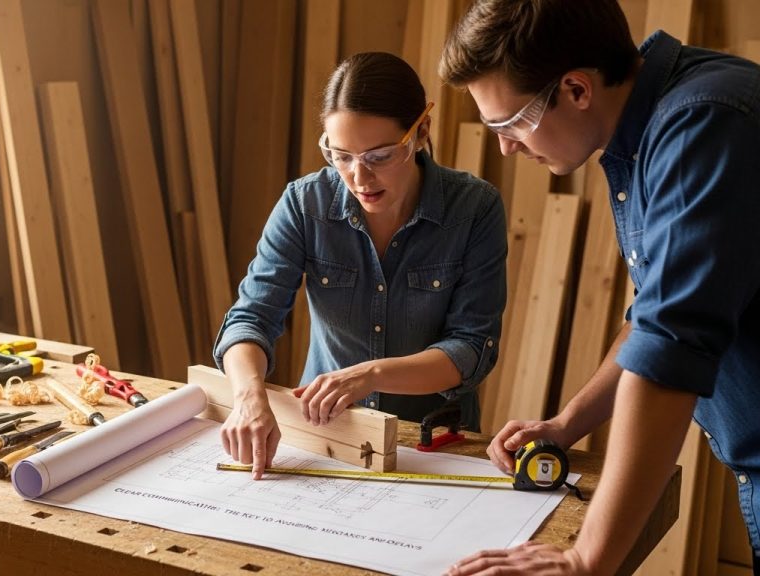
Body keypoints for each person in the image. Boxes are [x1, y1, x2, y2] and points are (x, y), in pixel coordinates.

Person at [438, 1, 760, 574]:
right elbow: (653, 315)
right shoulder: (653, 131)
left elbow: (671, 347)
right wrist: (568, 425)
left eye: (508, 123)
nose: (506, 147)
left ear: (576, 90)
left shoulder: (703, 124)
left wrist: (585, 560)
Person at [213, 52, 507, 480]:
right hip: (326, 435)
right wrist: (248, 396)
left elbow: (471, 348)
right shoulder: (304, 204)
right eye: (341, 155)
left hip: (431, 441)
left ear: (421, 131)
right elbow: (250, 318)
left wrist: (372, 375)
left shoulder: (475, 209)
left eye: (380, 156)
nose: (359, 178)